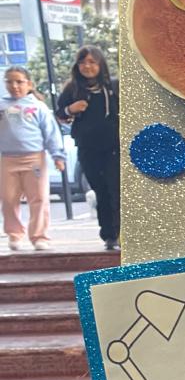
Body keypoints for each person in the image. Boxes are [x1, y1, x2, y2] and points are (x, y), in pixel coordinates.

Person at [55, 46, 119, 251]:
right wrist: (70, 109)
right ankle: (109, 235)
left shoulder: (113, 87)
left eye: (92, 62)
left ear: (100, 64)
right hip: (88, 148)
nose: (87, 66)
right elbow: (60, 114)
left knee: (116, 189)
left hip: (113, 148)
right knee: (100, 190)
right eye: (83, 62)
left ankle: (121, 233)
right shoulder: (72, 89)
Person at [2, 66, 65, 252]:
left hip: (34, 159)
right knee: (8, 199)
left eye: (19, 82)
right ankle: (14, 234)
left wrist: (57, 155)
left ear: (29, 84)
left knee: (38, 198)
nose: (14, 86)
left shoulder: (38, 106)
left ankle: (39, 236)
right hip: (7, 160)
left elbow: (51, 133)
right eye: (10, 82)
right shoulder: (1, 105)